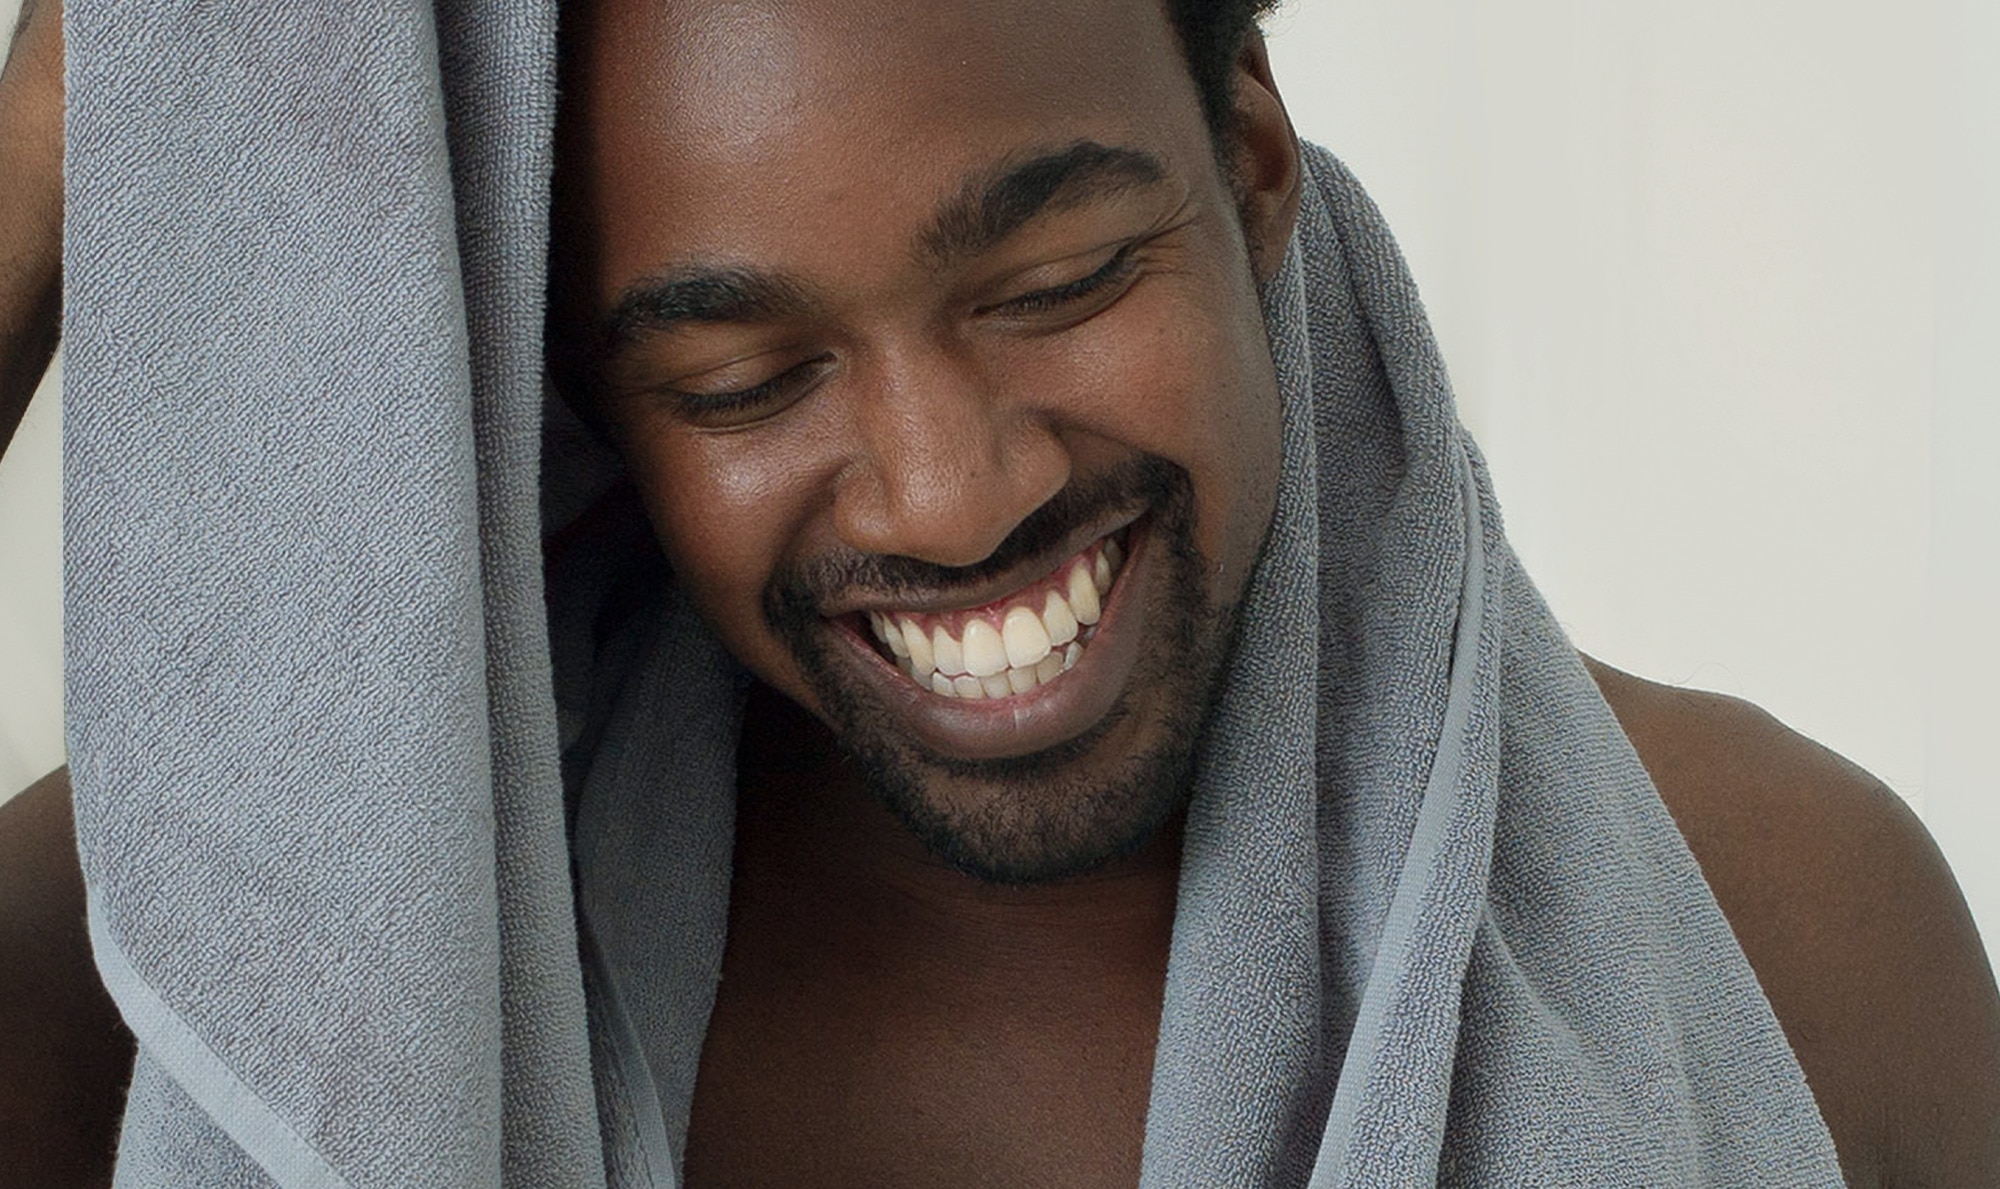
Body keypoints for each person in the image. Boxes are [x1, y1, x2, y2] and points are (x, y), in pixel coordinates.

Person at [4, 0, 1998, 1185]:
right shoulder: (235, 942)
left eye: (1055, 282)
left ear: (1248, 159)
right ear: (592, 410)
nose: (956, 495)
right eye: (742, 380)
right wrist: (46, 164)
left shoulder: (1790, 916)